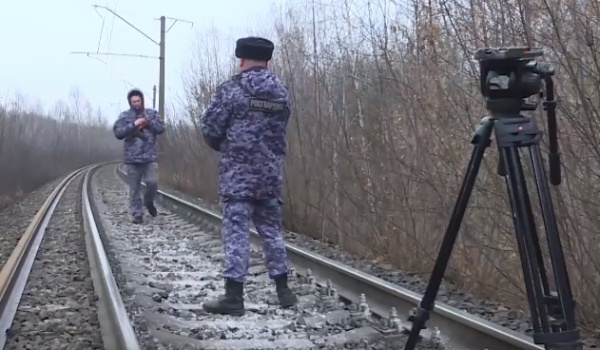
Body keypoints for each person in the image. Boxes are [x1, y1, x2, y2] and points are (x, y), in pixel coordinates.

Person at [199, 36, 298, 316]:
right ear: (267, 60)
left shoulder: (232, 89)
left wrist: (223, 146)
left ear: (241, 59)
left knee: (236, 235)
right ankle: (284, 291)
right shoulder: (281, 91)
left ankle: (233, 297)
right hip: (269, 175)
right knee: (272, 233)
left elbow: (210, 127)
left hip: (237, 177)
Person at [113, 88, 165, 224]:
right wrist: (133, 125)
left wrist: (148, 123)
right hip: (132, 158)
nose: (136, 103)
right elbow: (118, 133)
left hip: (150, 156)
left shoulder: (151, 114)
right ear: (130, 102)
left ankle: (148, 201)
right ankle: (137, 214)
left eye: (138, 100)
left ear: (142, 100)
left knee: (152, 183)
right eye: (133, 101)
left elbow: (161, 129)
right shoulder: (124, 116)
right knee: (134, 188)